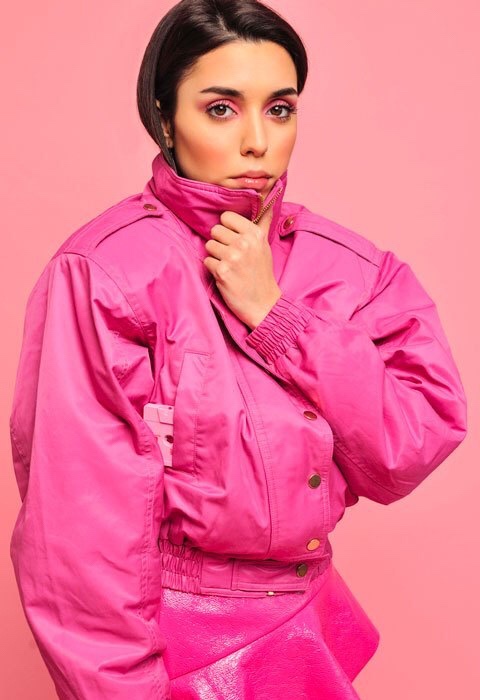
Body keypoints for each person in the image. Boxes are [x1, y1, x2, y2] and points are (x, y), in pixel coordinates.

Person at [8, 1, 467, 698]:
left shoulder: (353, 268)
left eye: (279, 110)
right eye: (221, 109)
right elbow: (78, 539)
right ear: (164, 118)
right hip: (169, 649)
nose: (257, 142)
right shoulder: (107, 272)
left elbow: (408, 447)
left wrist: (278, 317)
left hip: (309, 631)